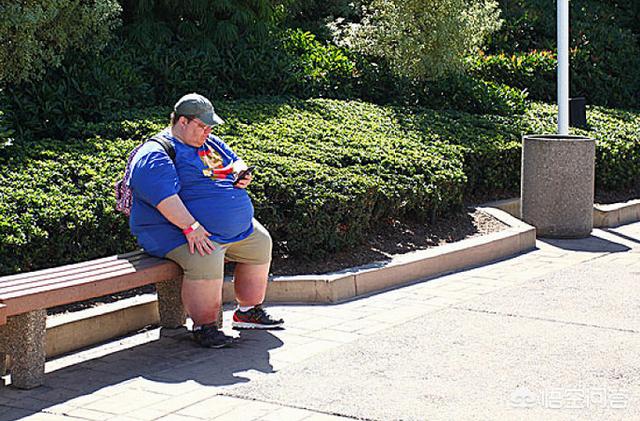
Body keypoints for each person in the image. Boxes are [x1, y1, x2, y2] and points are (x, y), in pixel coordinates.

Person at [128, 93, 283, 348]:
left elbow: (234, 160)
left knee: (260, 242)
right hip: (172, 230)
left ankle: (247, 313)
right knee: (205, 255)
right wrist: (192, 227)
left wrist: (240, 172)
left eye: (210, 127)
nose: (208, 132)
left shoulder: (208, 143)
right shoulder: (155, 153)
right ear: (182, 122)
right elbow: (164, 199)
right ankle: (205, 327)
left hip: (221, 230)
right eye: (203, 126)